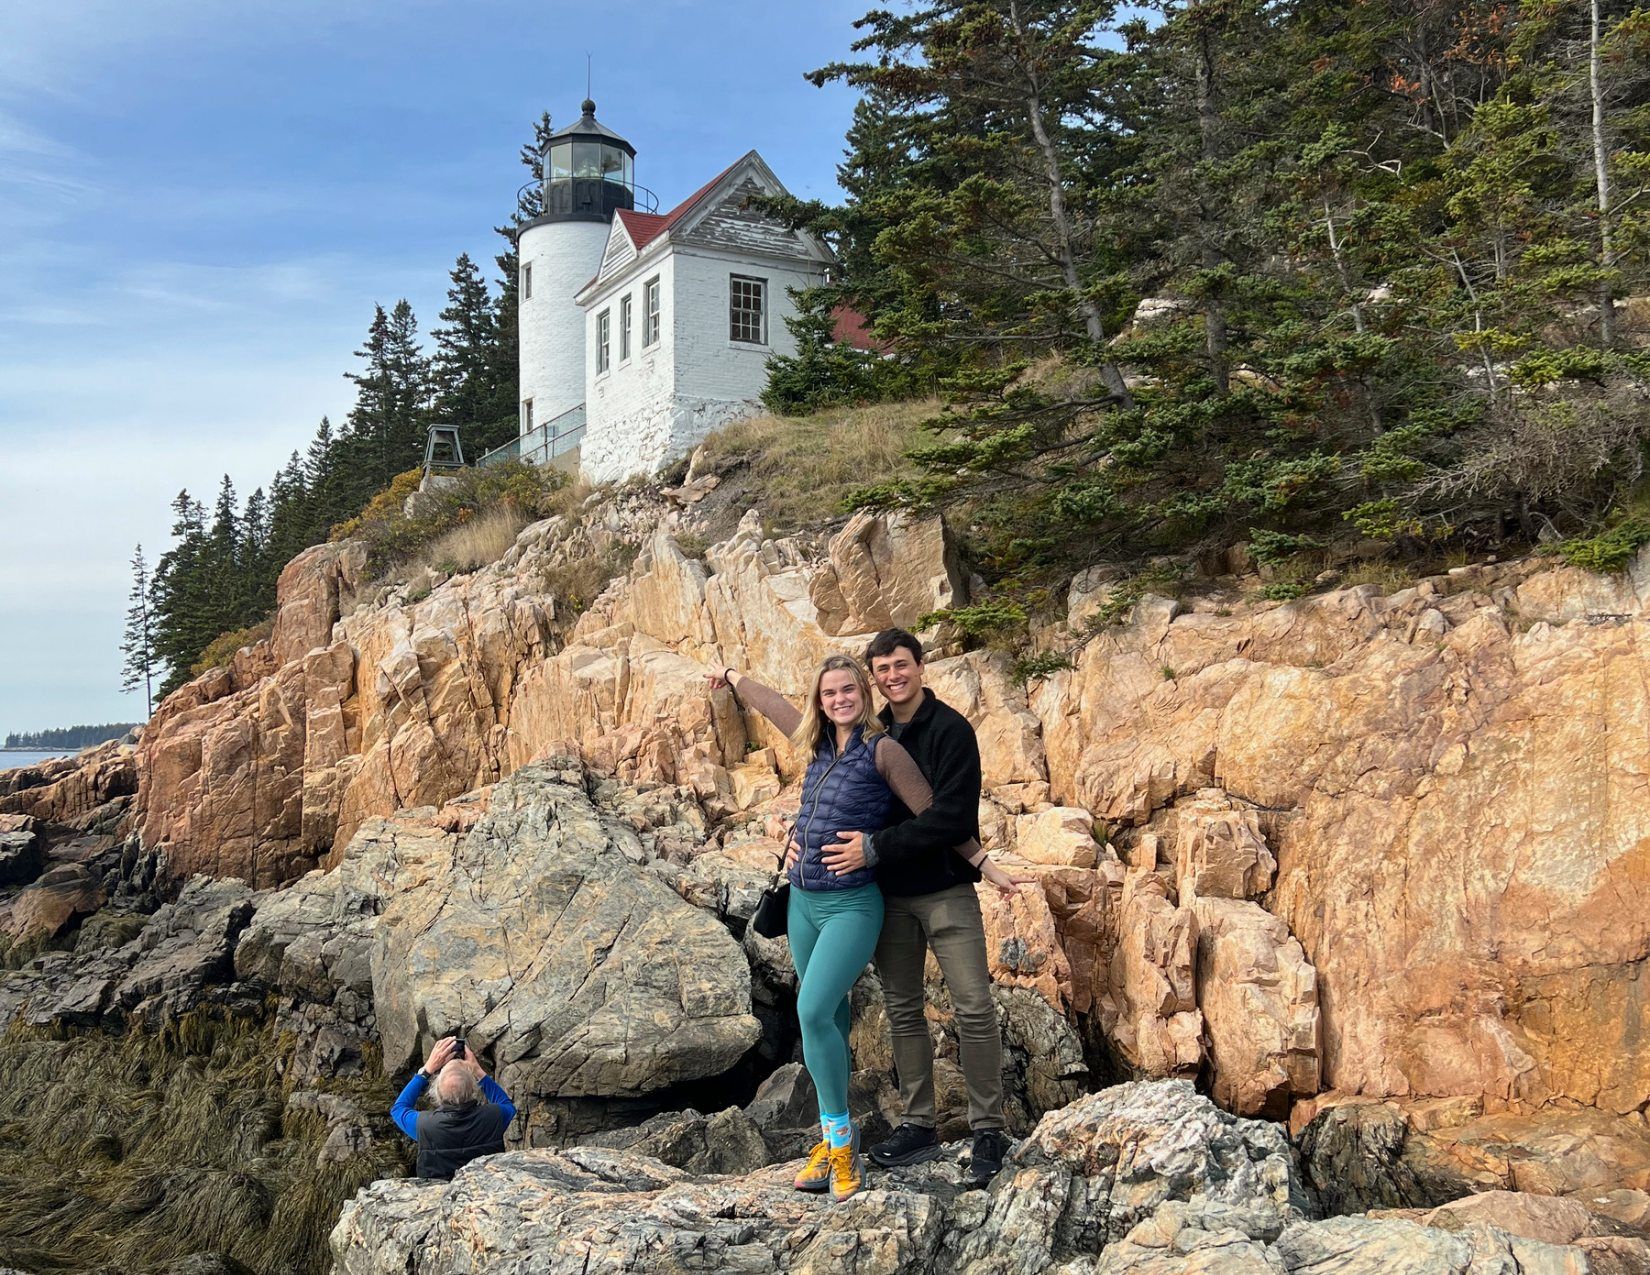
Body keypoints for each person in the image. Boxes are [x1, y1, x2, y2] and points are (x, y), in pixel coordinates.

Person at [709, 656, 1023, 1203]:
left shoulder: (883, 750)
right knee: (829, 1018)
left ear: (864, 693)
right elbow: (774, 705)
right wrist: (733, 678)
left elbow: (933, 813)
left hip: (853, 905)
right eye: (828, 692)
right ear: (820, 700)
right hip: (804, 902)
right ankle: (836, 1142)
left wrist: (984, 865)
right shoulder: (815, 742)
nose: (838, 699)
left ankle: (845, 1140)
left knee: (810, 1010)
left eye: (848, 689)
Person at [809, 628, 1012, 1185]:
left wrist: (876, 847)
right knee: (902, 1008)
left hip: (945, 891)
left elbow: (950, 818)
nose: (893, 676)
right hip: (888, 896)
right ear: (873, 679)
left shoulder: (950, 731)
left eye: (902, 665)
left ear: (920, 666)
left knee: (973, 1007)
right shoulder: (868, 734)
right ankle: (919, 1124)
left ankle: (987, 1128)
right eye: (883, 669)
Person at [391, 1035, 516, 1181]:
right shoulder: (494, 1116)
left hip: (439, 1193)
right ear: (474, 1089)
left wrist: (427, 1070)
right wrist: (478, 1071)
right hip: (482, 1186)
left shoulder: (424, 1126)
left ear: (436, 1092)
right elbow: (507, 1105)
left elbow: (398, 1108)